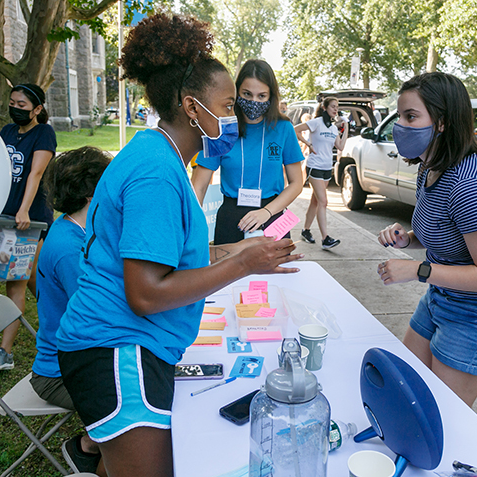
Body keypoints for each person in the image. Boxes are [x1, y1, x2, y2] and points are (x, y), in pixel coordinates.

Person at [55, 14, 302, 477]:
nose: (235, 117)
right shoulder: (155, 173)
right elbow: (146, 294)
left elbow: (178, 260)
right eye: (228, 105)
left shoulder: (161, 157)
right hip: (116, 349)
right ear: (192, 107)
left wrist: (247, 254)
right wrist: (242, 263)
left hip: (136, 345)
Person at [376, 72, 477, 407]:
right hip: (441, 298)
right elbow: (441, 235)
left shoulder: (470, 185)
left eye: (411, 117)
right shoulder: (430, 167)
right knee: (406, 390)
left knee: (441, 416)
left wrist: (417, 271)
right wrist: (405, 239)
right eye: (400, 116)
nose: (401, 126)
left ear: (441, 122)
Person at [30, 146, 111, 474]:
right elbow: (100, 316)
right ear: (94, 195)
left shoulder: (80, 230)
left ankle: (89, 444)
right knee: (136, 407)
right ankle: (94, 448)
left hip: (81, 356)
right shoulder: (68, 248)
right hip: (57, 373)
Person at [0, 84, 56, 371]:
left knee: (15, 282)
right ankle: (69, 325)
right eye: (12, 102)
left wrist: (24, 209)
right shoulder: (7, 132)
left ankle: (5, 352)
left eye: (22, 104)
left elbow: (35, 174)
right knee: (41, 284)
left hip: (30, 221)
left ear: (37, 109)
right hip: (6, 219)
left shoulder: (44, 133)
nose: (15, 108)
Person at [191, 59, 304, 244]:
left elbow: (296, 183)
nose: (254, 101)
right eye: (247, 94)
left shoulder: (284, 128)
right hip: (231, 218)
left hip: (272, 215)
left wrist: (266, 212)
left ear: (271, 96)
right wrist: (193, 227)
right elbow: (199, 186)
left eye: (261, 96)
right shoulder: (221, 129)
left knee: (273, 272)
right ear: (236, 93)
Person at [295, 97, 348, 249]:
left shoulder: (332, 128)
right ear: (325, 108)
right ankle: (325, 238)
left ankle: (305, 230)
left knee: (315, 201)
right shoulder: (316, 122)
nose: (335, 109)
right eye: (333, 106)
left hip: (326, 168)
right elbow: (295, 130)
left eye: (337, 107)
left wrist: (347, 128)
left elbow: (340, 146)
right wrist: (308, 144)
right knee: (323, 201)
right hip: (315, 166)